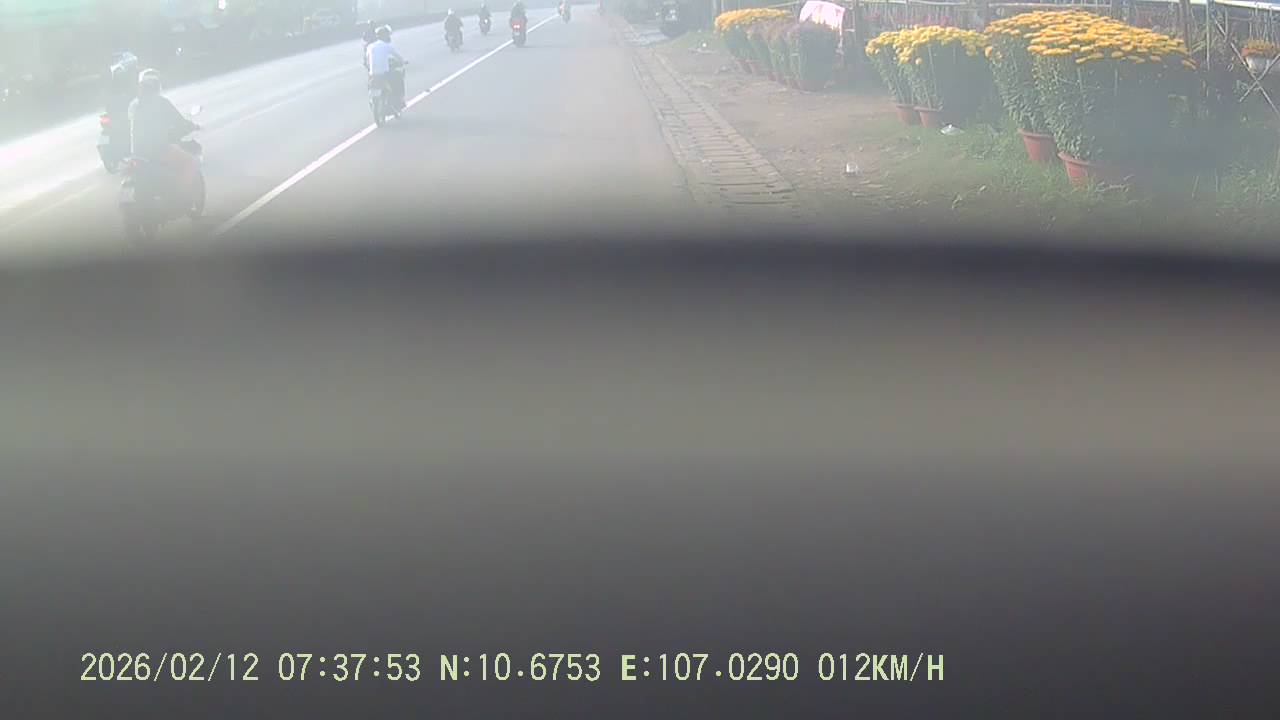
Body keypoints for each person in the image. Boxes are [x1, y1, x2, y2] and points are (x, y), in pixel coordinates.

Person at [127, 69, 199, 199]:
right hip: (158, 150)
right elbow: (179, 121)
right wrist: (193, 126)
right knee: (189, 162)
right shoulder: (161, 102)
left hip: (137, 153)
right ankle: (183, 197)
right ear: (156, 86)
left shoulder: (134, 105)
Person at [365, 25, 406, 111]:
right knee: (398, 78)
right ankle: (400, 100)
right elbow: (398, 56)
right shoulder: (387, 46)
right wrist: (403, 61)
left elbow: (367, 61)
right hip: (385, 73)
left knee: (370, 83)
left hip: (372, 74)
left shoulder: (370, 46)